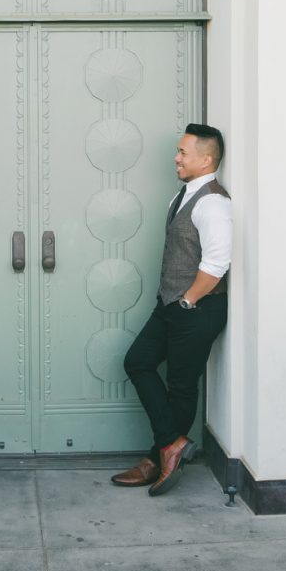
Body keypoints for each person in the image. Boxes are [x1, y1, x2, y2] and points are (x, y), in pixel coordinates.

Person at [111, 122, 232, 496]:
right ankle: (170, 446)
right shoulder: (182, 196)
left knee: (181, 386)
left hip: (195, 308)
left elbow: (217, 263)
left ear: (205, 158)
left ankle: (157, 457)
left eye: (183, 152)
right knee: (138, 361)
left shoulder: (213, 202)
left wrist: (187, 300)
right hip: (172, 305)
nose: (176, 157)